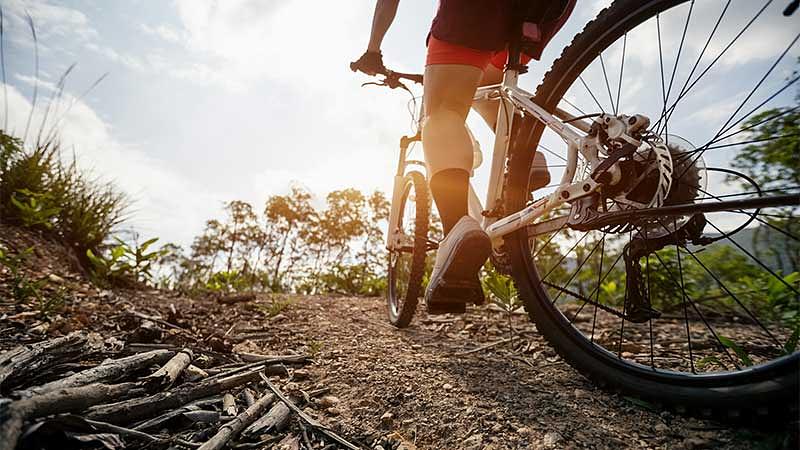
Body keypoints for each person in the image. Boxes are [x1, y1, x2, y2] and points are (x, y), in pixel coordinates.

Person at [352, 0, 574, 313]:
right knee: (486, 86)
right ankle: (525, 157)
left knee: (444, 109)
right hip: (548, 9)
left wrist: (373, 49)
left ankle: (457, 229)